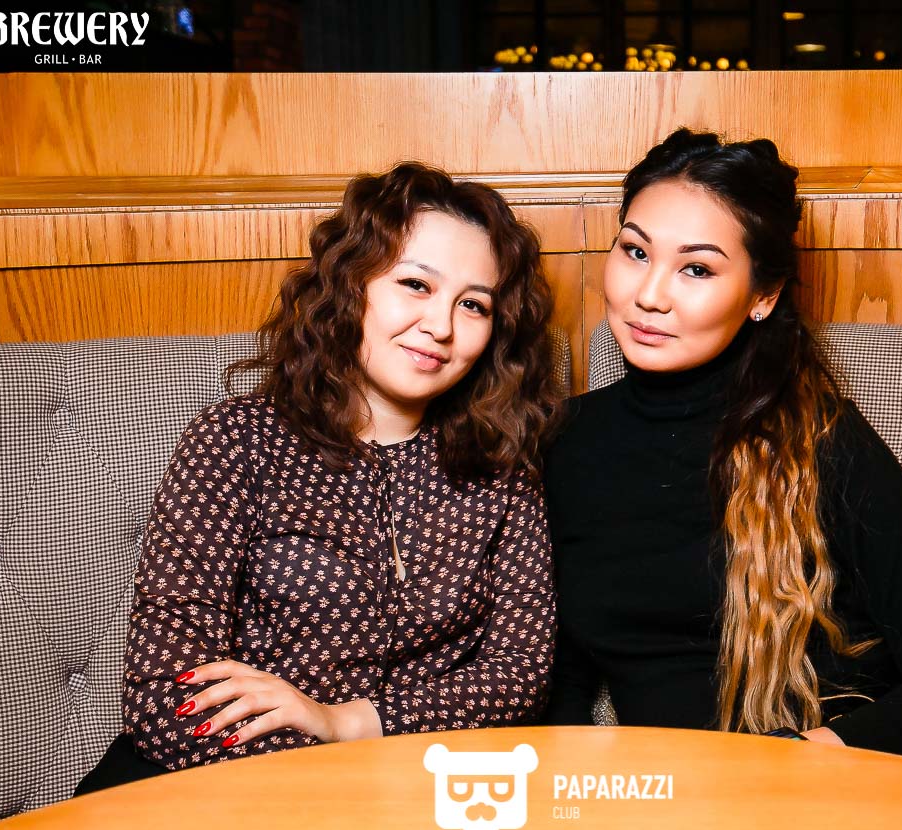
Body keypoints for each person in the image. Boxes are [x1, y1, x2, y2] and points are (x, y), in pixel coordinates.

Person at [542, 128, 902, 788]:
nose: (649, 294)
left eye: (696, 268)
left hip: (861, 786)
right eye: (635, 251)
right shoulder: (564, 444)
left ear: (763, 296)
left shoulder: (819, 437)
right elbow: (559, 685)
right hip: (690, 805)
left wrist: (796, 760)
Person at [78, 163, 560, 792]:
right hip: (219, 779)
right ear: (350, 282)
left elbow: (519, 674)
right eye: (415, 284)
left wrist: (346, 724)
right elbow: (167, 690)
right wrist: (317, 767)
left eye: (472, 305)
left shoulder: (501, 466)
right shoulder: (240, 439)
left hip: (408, 784)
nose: (441, 326)